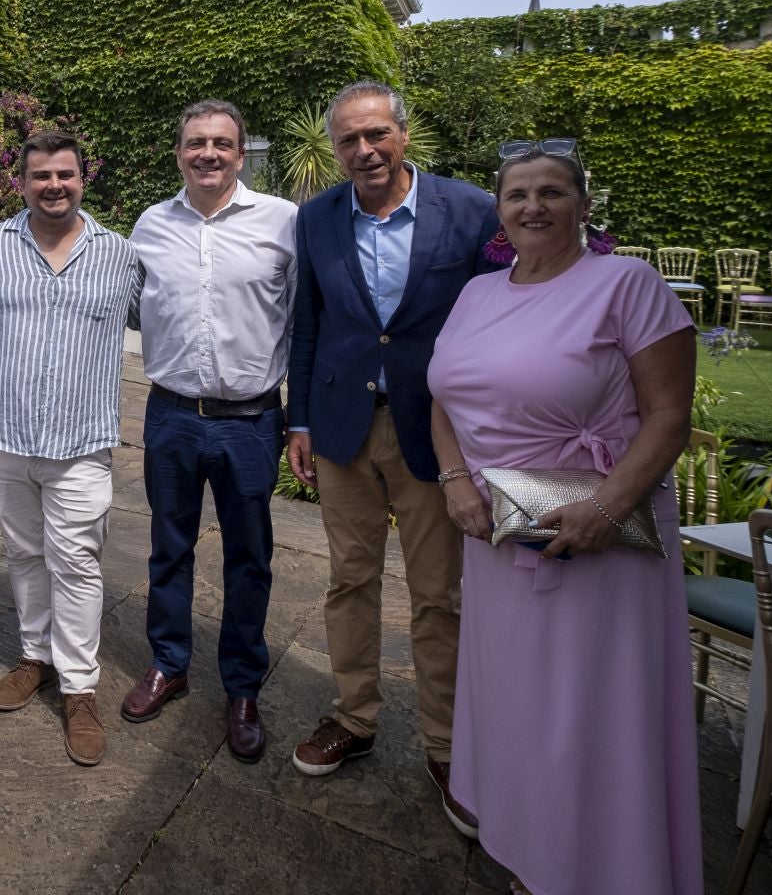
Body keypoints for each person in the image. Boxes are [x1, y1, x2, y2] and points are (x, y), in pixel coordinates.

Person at [427, 141, 698, 895]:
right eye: (518, 195)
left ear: (583, 206)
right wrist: (455, 483)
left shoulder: (627, 284)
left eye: (552, 192)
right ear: (500, 210)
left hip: (594, 539)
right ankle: (530, 849)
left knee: (592, 714)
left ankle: (603, 868)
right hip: (495, 531)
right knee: (515, 703)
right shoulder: (479, 293)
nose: (533, 207)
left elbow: (669, 416)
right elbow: (442, 394)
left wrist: (607, 510)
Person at [284, 80, 497, 834]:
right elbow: (306, 324)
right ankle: (355, 715)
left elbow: (501, 317)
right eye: (349, 140)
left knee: (442, 595)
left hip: (434, 434)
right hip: (343, 427)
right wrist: (298, 421)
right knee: (349, 581)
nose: (364, 151)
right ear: (336, 148)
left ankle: (447, 747)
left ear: (403, 134)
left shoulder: (470, 211)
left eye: (377, 135)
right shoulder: (317, 219)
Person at [122, 100, 296, 764]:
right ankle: (170, 662)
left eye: (222, 143)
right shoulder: (150, 225)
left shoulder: (282, 222)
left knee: (250, 558)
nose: (209, 154)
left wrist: (298, 416)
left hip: (251, 419)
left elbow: (303, 321)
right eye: (196, 142)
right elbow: (133, 305)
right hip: (170, 413)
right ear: (179, 152)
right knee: (168, 548)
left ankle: (243, 686)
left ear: (242, 151)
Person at [0, 130, 141, 766]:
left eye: (64, 174)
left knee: (77, 561)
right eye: (40, 175)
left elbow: (168, 322)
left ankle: (79, 688)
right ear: (22, 182)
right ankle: (34, 656)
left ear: (81, 177)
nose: (53, 186)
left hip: (80, 442)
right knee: (23, 554)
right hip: (5, 438)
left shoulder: (121, 257)